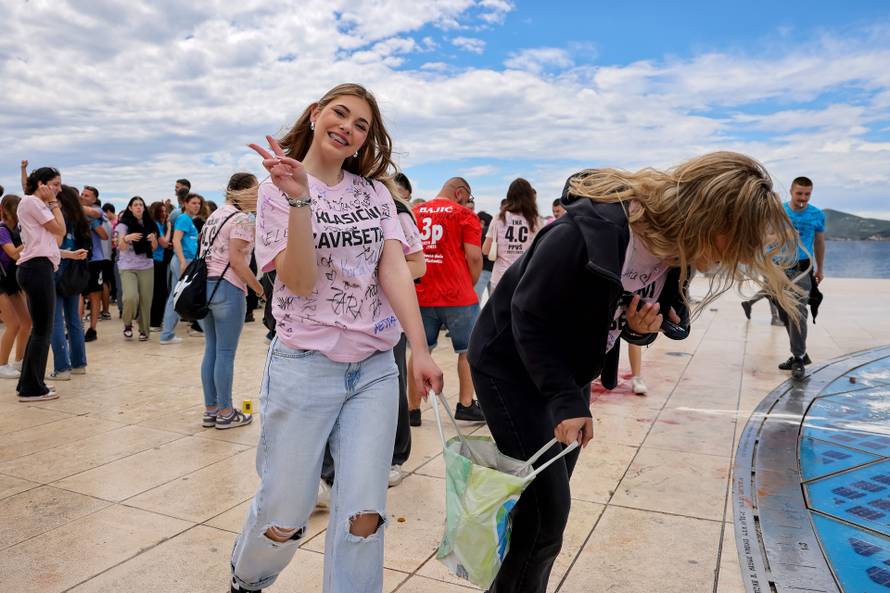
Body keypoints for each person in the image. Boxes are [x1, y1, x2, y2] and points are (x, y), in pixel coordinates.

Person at [467, 152, 802, 593]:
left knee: (540, 507)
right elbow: (527, 315)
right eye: (729, 240)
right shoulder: (587, 233)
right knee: (548, 516)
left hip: (568, 370)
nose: (728, 256)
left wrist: (641, 329)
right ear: (706, 216)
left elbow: (642, 313)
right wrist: (565, 400)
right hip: (509, 365)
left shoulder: (675, 248)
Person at [230, 83, 443, 593]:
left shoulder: (373, 193)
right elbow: (299, 282)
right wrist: (301, 199)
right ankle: (249, 576)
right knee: (287, 509)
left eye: (362, 124)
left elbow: (393, 269)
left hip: (373, 368)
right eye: (340, 113)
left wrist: (419, 347)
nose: (348, 127)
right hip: (305, 366)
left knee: (364, 511)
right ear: (316, 114)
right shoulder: (278, 193)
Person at [318, 171, 427, 499]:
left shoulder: (396, 209)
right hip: (340, 323)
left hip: (384, 320)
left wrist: (372, 276)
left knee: (392, 388)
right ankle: (329, 469)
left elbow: (417, 265)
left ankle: (395, 457)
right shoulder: (332, 205)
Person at [408, 177, 485, 426]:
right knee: (467, 352)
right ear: (460, 193)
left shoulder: (415, 212)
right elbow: (474, 256)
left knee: (421, 351)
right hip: (458, 296)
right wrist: (468, 283)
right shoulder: (464, 214)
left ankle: (412, 409)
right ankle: (465, 404)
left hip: (421, 294)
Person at [198, 172, 265, 430]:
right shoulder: (240, 219)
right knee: (225, 353)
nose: (258, 196)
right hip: (228, 288)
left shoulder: (214, 217)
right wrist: (260, 289)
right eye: (254, 191)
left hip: (205, 287)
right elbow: (237, 261)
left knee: (212, 350)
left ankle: (211, 409)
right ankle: (226, 411)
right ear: (241, 192)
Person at [16, 167, 69, 401]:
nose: (58, 188)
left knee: (40, 329)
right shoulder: (33, 203)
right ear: (41, 184)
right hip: (36, 268)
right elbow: (61, 229)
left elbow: (55, 238)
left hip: (38, 267)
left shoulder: (33, 204)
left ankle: (29, 382)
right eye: (55, 184)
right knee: (42, 330)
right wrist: (54, 203)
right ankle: (32, 388)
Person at [776, 176, 825, 379]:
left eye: (807, 194)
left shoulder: (816, 214)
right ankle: (800, 353)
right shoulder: (777, 211)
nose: (803, 198)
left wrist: (820, 269)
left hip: (802, 268)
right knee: (783, 312)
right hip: (776, 268)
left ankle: (798, 356)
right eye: (799, 193)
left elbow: (819, 243)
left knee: (797, 312)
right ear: (791, 191)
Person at [48, 185, 93, 380]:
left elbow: (53, 244)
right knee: (74, 319)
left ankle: (62, 368)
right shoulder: (80, 219)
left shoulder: (59, 218)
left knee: (56, 320)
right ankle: (79, 364)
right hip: (75, 272)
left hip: (57, 268)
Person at [483, 178, 543, 291]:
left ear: (509, 196)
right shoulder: (536, 220)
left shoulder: (498, 218)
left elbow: (486, 250)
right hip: (525, 278)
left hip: (500, 278)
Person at [159, 192, 202, 344]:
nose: (197, 206)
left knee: (175, 297)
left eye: (198, 203)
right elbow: (176, 240)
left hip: (185, 260)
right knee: (190, 295)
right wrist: (183, 261)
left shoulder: (189, 220)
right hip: (183, 261)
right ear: (185, 204)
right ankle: (206, 331)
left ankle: (167, 335)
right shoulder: (184, 218)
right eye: (193, 203)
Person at [116, 196, 158, 341]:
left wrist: (153, 240)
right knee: (130, 297)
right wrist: (127, 238)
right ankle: (127, 323)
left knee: (146, 300)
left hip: (146, 265)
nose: (139, 207)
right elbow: (120, 247)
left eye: (141, 204)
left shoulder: (150, 224)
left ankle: (144, 330)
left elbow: (154, 248)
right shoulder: (123, 225)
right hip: (128, 266)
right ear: (130, 208)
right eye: (135, 205)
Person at [0, 195, 31, 379]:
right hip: (1, 282)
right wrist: (28, 240)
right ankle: (2, 364)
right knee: (13, 324)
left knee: (27, 322)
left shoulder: (17, 229)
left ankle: (19, 361)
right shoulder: (2, 229)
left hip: (11, 280)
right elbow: (12, 253)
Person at [80, 186, 110, 343]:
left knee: (94, 294)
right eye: (82, 194)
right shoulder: (74, 212)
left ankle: (92, 329)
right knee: (77, 293)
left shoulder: (97, 212)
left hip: (95, 259)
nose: (83, 196)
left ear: (94, 199)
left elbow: (104, 236)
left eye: (87, 195)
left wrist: (91, 224)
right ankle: (77, 328)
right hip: (77, 258)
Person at [148, 201, 172, 329]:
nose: (164, 213)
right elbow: (164, 243)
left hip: (160, 261)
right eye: (161, 211)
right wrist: (169, 228)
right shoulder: (156, 225)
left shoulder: (159, 224)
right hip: (156, 261)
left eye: (165, 211)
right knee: (159, 291)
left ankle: (156, 320)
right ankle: (154, 322)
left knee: (161, 291)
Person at [475, 210, 494, 301]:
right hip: (494, 268)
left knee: (476, 298)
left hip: (483, 268)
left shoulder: (481, 232)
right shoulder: (494, 230)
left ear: (482, 222)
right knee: (494, 300)